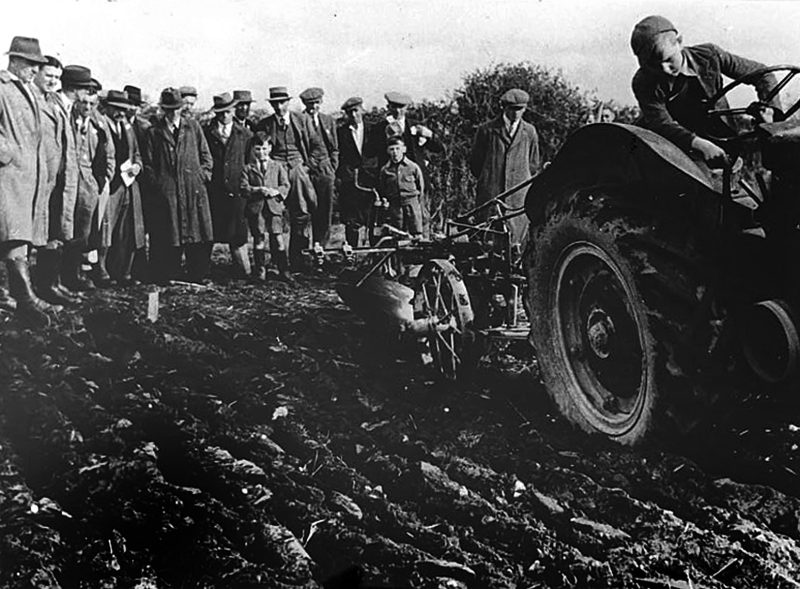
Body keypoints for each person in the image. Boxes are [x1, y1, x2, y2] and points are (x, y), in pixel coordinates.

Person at [630, 15, 779, 167]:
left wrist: (771, 112)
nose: (665, 70)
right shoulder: (644, 82)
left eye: (668, 59)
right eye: (654, 65)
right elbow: (661, 123)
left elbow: (763, 74)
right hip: (674, 150)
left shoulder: (709, 56)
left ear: (679, 42)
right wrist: (700, 144)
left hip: (720, 138)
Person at [0, 36, 53, 324]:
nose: (35, 70)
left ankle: (16, 297)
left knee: (16, 236)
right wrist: (9, 153)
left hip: (25, 179)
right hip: (7, 177)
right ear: (16, 60)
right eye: (32, 64)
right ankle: (24, 299)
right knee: (12, 237)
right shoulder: (2, 87)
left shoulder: (27, 91)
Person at [143, 87, 214, 284]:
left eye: (176, 108)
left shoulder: (193, 128)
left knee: (198, 232)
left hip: (193, 189)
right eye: (168, 108)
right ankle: (167, 274)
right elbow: (148, 164)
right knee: (168, 232)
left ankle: (197, 274)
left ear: (181, 108)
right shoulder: (154, 132)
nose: (173, 112)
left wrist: (202, 176)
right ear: (163, 109)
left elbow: (206, 156)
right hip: (168, 192)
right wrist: (158, 185)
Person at [32, 55, 81, 307]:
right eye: (48, 75)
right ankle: (41, 287)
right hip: (40, 176)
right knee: (36, 232)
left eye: (56, 77)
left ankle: (52, 282)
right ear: (37, 73)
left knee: (55, 230)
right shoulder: (32, 100)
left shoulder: (53, 101)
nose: (52, 81)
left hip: (58, 176)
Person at [252, 86, 318, 270]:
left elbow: (316, 146)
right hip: (276, 169)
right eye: (275, 103)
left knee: (301, 213)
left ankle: (298, 259)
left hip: (297, 167)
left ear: (288, 102)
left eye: (282, 102)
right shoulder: (266, 124)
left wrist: (305, 167)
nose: (279, 106)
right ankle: (278, 261)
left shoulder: (302, 120)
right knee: (274, 213)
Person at [62, 65, 115, 292]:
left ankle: (78, 273)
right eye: (84, 102)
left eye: (92, 104)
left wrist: (103, 179)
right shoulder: (69, 117)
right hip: (72, 181)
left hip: (91, 183)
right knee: (68, 230)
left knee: (86, 231)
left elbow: (108, 153)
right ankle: (67, 276)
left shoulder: (99, 124)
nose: (87, 107)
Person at [469, 88, 541, 245]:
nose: (516, 114)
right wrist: (490, 179)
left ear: (525, 109)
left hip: (518, 198)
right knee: (488, 242)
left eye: (520, 109)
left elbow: (533, 164)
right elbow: (476, 164)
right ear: (503, 107)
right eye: (512, 109)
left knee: (517, 243)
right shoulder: (487, 130)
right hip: (491, 195)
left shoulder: (529, 132)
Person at [367, 91, 442, 236]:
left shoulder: (416, 127)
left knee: (421, 222)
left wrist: (429, 135)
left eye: (401, 107)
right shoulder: (379, 128)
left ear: (407, 108)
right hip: (392, 186)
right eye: (394, 106)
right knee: (394, 226)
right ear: (388, 107)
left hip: (416, 185)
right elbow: (369, 154)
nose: (398, 111)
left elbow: (439, 149)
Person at [203, 92, 253, 278]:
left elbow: (249, 163)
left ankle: (242, 270)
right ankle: (202, 269)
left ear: (234, 110)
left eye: (228, 111)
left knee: (238, 234)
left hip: (236, 191)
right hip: (213, 191)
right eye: (220, 112)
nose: (224, 116)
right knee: (209, 231)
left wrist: (244, 186)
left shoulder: (245, 135)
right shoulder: (206, 133)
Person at [102, 89, 145, 283]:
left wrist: (137, 166)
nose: (120, 113)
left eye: (123, 109)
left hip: (128, 184)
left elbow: (136, 153)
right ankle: (103, 271)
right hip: (111, 185)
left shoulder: (127, 126)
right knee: (106, 230)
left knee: (125, 231)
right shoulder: (102, 125)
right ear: (108, 107)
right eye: (116, 109)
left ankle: (123, 272)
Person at [240, 132, 291, 282]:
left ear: (269, 148)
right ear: (253, 150)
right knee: (259, 238)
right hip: (257, 208)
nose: (261, 152)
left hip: (274, 208)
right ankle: (260, 270)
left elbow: (286, 185)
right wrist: (258, 190)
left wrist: (277, 192)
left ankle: (284, 269)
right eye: (257, 149)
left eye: (263, 148)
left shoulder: (277, 166)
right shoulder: (248, 168)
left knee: (278, 237)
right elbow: (243, 187)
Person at [299, 87, 339, 247]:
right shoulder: (298, 119)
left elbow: (334, 147)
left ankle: (321, 248)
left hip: (325, 170)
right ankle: (303, 251)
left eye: (316, 103)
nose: (313, 106)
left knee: (325, 210)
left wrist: (332, 167)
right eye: (310, 104)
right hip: (307, 171)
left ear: (321, 102)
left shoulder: (328, 120)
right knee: (304, 211)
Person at [336, 96, 376, 247]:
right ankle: (351, 258)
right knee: (351, 221)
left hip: (372, 182)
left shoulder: (374, 129)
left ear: (362, 110)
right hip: (351, 183)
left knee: (374, 220)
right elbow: (338, 155)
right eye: (349, 112)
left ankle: (376, 259)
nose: (353, 115)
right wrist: (345, 175)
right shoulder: (341, 132)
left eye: (355, 111)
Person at [378, 136, 424, 237]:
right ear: (388, 151)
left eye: (398, 148)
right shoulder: (385, 170)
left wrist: (414, 203)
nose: (395, 152)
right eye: (392, 149)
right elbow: (383, 189)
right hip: (395, 207)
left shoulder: (413, 167)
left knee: (416, 234)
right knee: (397, 234)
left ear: (404, 149)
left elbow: (421, 189)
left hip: (412, 205)